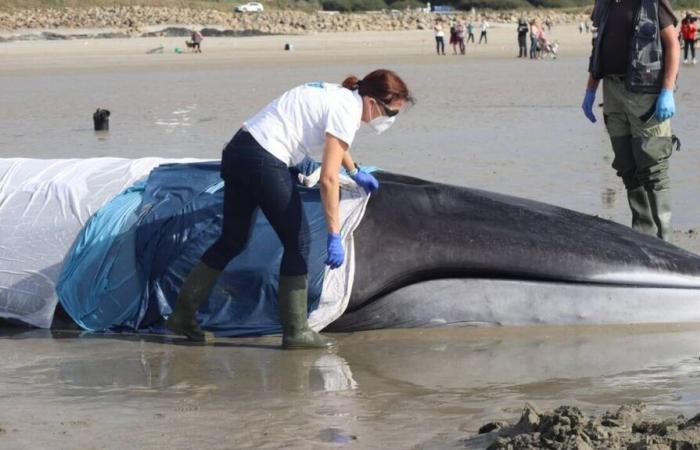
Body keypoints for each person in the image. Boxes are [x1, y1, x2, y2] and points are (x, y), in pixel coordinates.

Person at [165, 70, 414, 348]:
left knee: (232, 239)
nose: (389, 120)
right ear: (372, 102)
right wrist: (334, 235)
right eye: (390, 113)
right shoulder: (347, 110)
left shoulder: (340, 96)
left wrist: (354, 171)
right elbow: (328, 179)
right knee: (298, 241)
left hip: (239, 150)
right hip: (264, 158)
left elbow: (335, 144)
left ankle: (182, 315)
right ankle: (296, 331)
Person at [582, 0, 679, 241]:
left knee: (653, 164)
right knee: (626, 164)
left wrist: (668, 90)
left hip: (646, 93)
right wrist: (590, 89)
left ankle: (665, 239)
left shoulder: (652, 3)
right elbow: (599, 47)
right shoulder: (603, 4)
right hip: (612, 92)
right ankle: (643, 234)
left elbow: (672, 45)